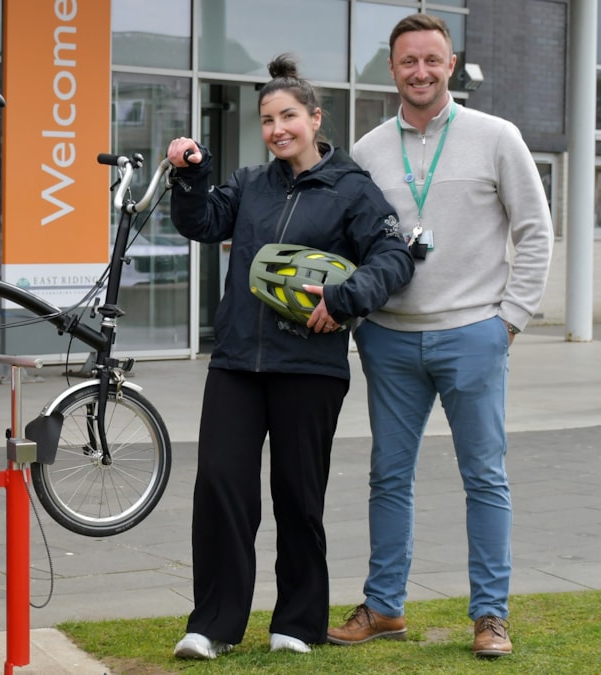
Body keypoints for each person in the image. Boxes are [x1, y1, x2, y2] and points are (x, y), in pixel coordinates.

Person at [165, 54, 414, 660]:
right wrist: (191, 175)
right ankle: (213, 625)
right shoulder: (251, 184)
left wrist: (344, 296)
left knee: (299, 496)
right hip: (235, 365)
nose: (278, 129)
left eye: (289, 116)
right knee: (221, 488)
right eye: (268, 119)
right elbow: (201, 222)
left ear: (314, 117)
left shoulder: (352, 189)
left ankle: (297, 623)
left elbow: (394, 258)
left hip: (309, 366)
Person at [326, 13, 554, 658]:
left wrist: (512, 318)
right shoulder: (369, 151)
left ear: (450, 64)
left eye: (431, 60)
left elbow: (535, 229)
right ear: (392, 69)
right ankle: (384, 607)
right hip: (390, 340)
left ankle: (490, 616)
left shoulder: (497, 137)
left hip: (474, 334)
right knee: (387, 477)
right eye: (407, 62)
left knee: (484, 477)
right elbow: (351, 243)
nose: (420, 72)